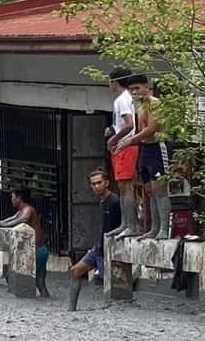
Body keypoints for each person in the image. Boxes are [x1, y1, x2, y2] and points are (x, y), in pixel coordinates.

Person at [118, 75, 171, 240]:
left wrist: (129, 141)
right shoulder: (140, 107)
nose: (135, 92)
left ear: (146, 87)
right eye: (131, 89)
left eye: (137, 88)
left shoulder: (154, 103)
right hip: (145, 148)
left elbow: (152, 129)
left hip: (157, 146)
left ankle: (163, 229)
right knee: (148, 189)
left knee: (159, 189)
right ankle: (154, 228)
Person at [68, 168, 122, 311]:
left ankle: (111, 307)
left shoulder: (114, 201)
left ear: (107, 183)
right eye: (93, 184)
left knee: (107, 281)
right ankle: (71, 309)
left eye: (99, 183)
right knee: (75, 271)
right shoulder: (103, 201)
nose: (96, 186)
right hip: (99, 247)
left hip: (109, 247)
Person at [0, 187, 50, 297]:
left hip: (35, 251)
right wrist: (0, 223)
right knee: (40, 283)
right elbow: (10, 219)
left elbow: (23, 220)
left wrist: (3, 225)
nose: (11, 199)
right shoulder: (21, 211)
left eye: (12, 197)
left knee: (11, 275)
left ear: (19, 198)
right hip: (40, 250)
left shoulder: (28, 210)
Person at [106, 67, 139, 237]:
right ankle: (125, 223)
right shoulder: (122, 99)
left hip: (125, 145)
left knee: (126, 186)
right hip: (122, 145)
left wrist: (115, 139)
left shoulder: (123, 99)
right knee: (122, 185)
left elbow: (129, 124)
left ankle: (131, 225)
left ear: (114, 81)